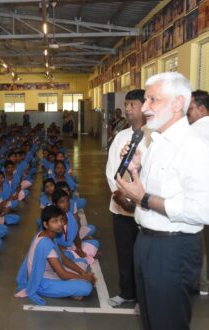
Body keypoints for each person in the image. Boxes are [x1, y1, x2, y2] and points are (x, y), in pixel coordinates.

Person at [116, 73, 209, 330]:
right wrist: (136, 169)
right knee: (151, 321)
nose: (144, 107)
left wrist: (143, 198)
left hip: (172, 249)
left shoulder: (193, 146)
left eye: (152, 100)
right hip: (146, 241)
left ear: (177, 103)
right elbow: (152, 191)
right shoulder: (156, 142)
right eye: (146, 100)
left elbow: (203, 209)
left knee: (167, 323)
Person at [105, 89, 149, 307]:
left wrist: (138, 199)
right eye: (127, 104)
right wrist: (119, 194)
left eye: (132, 104)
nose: (128, 109)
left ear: (145, 106)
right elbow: (111, 168)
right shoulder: (121, 136)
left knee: (144, 256)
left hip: (145, 208)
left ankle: (143, 296)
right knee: (124, 252)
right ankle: (127, 292)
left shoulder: (153, 138)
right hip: (121, 206)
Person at [15, 205, 95, 305]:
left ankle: (72, 288)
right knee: (86, 287)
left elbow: (63, 259)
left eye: (61, 220)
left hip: (50, 273)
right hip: (41, 283)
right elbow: (63, 274)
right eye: (55, 221)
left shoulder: (48, 235)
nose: (60, 224)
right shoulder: (46, 242)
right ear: (45, 224)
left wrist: (82, 272)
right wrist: (85, 277)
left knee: (81, 262)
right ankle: (72, 290)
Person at [187, 90, 209, 295]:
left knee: (196, 238)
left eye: (190, 109)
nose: (188, 113)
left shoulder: (191, 133)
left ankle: (201, 283)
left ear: (202, 109)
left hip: (198, 197)